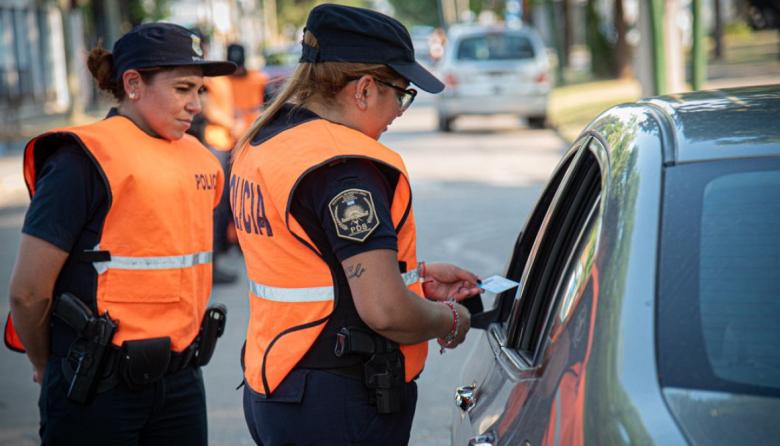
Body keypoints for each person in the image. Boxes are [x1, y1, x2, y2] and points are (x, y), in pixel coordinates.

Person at [232, 5, 481, 445]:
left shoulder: (267, 141)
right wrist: (453, 320)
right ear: (364, 89)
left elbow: (314, 266)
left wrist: (415, 277)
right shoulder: (345, 169)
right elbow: (384, 310)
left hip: (279, 385)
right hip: (339, 397)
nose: (401, 111)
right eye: (401, 93)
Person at [6, 22, 235, 445]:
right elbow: (28, 291)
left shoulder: (201, 160)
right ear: (133, 83)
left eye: (199, 90)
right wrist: (49, 364)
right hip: (97, 387)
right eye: (183, 88)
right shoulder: (82, 159)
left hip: (182, 379)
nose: (196, 105)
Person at [226, 42, 269, 135]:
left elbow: (268, 104)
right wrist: (232, 124)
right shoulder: (219, 81)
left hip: (254, 133)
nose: (236, 71)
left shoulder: (258, 78)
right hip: (225, 139)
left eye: (239, 66)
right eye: (233, 68)